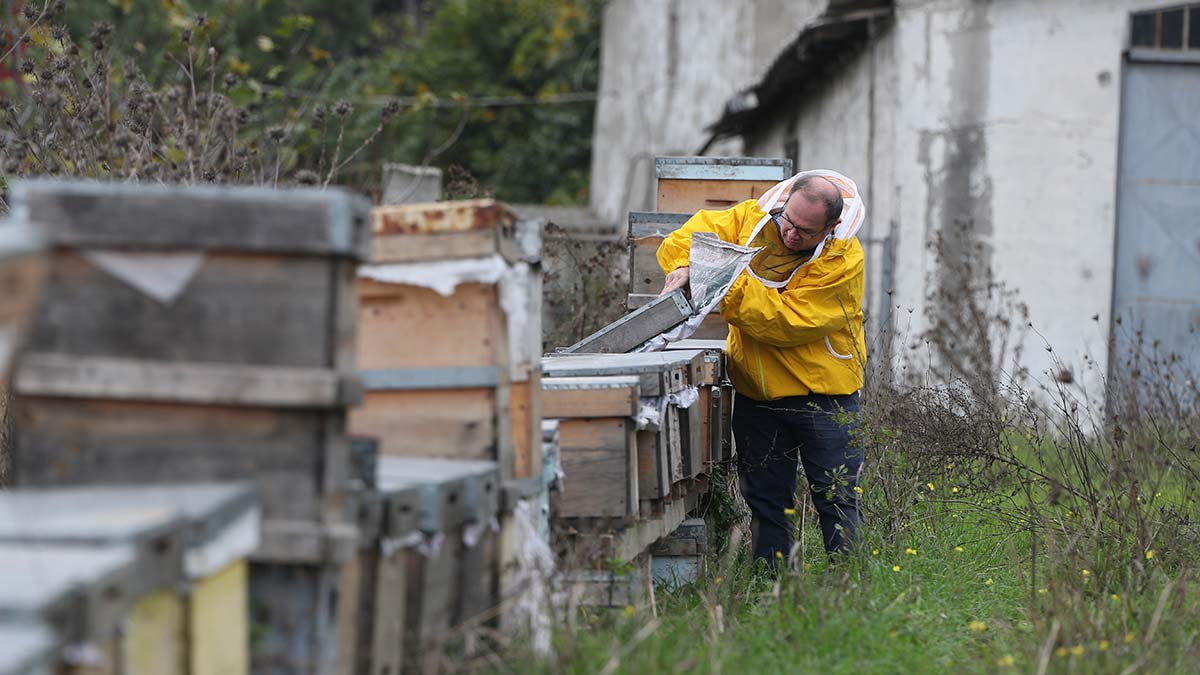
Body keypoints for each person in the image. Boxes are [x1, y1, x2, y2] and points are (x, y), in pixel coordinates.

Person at [657, 172, 866, 567]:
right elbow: (687, 236)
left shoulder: (844, 262)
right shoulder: (751, 220)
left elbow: (784, 323)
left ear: (831, 227)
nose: (790, 235)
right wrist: (688, 265)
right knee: (767, 501)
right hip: (758, 395)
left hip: (824, 400)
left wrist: (720, 277)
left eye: (805, 232)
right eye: (787, 222)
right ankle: (771, 589)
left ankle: (851, 587)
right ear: (783, 205)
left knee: (837, 499)